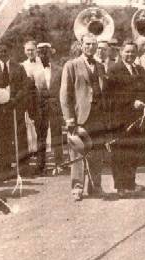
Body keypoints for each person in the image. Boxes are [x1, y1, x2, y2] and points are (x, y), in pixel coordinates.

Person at [60, 33, 109, 201]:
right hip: (80, 117)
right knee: (77, 153)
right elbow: (65, 95)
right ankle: (77, 188)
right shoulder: (71, 65)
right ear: (81, 46)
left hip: (98, 116)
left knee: (96, 153)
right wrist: (69, 119)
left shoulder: (100, 66)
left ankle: (95, 186)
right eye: (87, 44)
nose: (91, 47)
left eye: (94, 44)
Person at [108, 40, 145, 197]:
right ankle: (120, 186)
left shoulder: (139, 69)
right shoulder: (114, 70)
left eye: (133, 52)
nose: (130, 55)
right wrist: (131, 102)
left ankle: (131, 183)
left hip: (137, 119)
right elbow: (112, 95)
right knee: (120, 153)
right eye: (127, 52)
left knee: (133, 151)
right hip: (120, 119)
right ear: (121, 52)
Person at [0, 40, 31, 181]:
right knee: (3, 139)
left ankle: (23, 167)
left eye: (5, 51)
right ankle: (5, 168)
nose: (3, 53)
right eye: (0, 51)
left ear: (10, 52)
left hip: (16, 107)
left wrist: (14, 100)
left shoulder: (18, 67)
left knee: (20, 136)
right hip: (0, 110)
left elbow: (25, 87)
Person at [28, 42, 64, 175]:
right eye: (41, 52)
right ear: (38, 54)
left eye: (46, 52)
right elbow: (31, 92)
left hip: (55, 107)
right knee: (41, 137)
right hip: (40, 108)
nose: (44, 55)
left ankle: (59, 163)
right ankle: (41, 165)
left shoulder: (59, 70)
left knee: (57, 135)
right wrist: (32, 111)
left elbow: (63, 91)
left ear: (50, 53)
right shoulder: (33, 71)